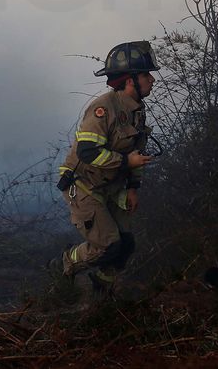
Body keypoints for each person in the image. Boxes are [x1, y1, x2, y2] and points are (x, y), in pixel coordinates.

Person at [54, 41, 157, 297]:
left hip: (111, 187)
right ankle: (65, 263)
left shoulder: (136, 111)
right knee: (108, 245)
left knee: (126, 244)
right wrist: (125, 163)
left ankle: (101, 289)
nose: (152, 79)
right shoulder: (103, 109)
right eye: (146, 74)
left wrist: (133, 187)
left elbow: (137, 153)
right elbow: (87, 152)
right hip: (84, 186)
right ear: (131, 80)